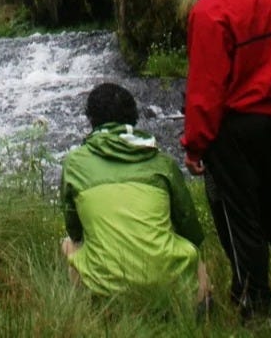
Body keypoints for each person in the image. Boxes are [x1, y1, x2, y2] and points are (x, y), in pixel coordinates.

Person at [179, 0, 271, 321]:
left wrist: (195, 145)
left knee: (240, 217)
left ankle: (257, 304)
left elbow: (205, 89)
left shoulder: (207, 12)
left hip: (231, 129)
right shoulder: (266, 0)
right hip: (269, 120)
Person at [60, 83, 209, 305]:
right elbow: (190, 228)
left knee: (68, 244)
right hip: (169, 285)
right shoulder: (163, 163)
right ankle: (200, 305)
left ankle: (89, 307)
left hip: (105, 288)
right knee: (193, 252)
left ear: (91, 120)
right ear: (134, 118)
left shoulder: (74, 164)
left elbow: (75, 229)